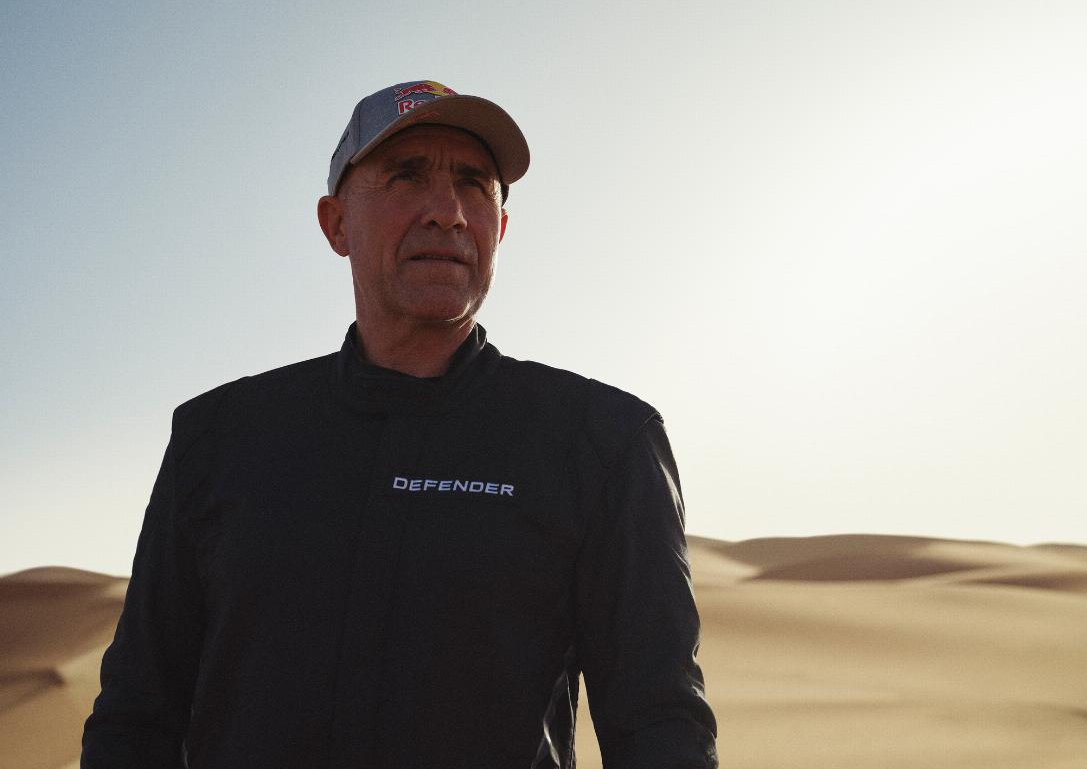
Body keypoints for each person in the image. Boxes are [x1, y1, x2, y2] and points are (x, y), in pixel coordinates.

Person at [81, 80, 718, 768]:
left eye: (474, 184)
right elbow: (136, 717)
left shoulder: (602, 442)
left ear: (500, 229)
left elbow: (661, 727)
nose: (447, 212)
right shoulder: (218, 437)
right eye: (407, 176)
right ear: (336, 224)